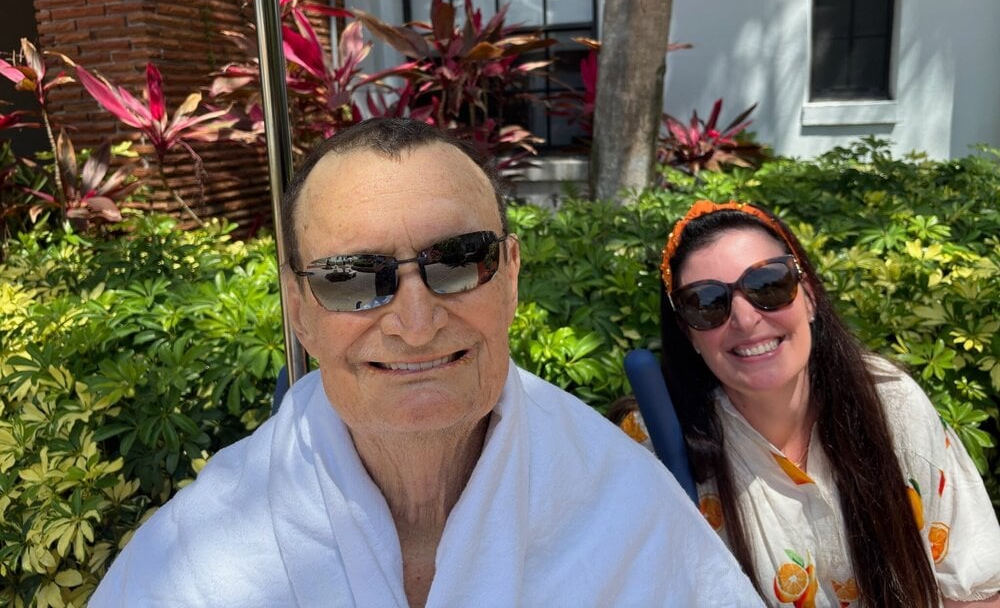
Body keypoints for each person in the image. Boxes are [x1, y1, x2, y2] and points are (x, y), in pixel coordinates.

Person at [91, 119, 762, 607]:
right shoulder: (199, 558)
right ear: (299, 309)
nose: (415, 324)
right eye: (352, 278)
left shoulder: (624, 505)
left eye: (459, 261)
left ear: (510, 276)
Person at [617, 199, 1000, 607]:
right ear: (688, 333)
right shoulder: (650, 449)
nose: (745, 319)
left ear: (810, 296)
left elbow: (977, 590)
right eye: (707, 303)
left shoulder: (891, 403)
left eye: (769, 284)